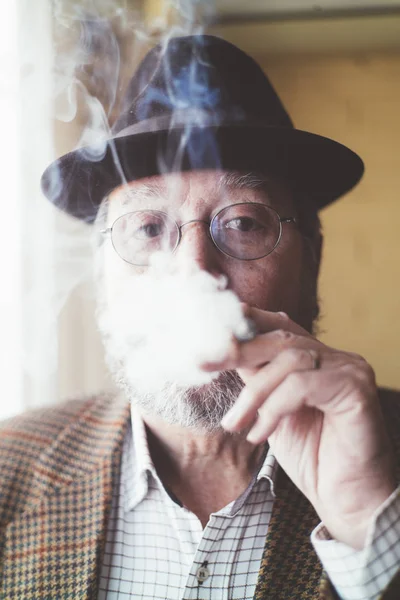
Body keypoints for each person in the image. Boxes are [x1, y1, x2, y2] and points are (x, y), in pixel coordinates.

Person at [1, 35, 399, 600]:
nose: (194, 272)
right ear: (101, 272)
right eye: (147, 229)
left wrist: (368, 529)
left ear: (312, 257)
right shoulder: (8, 470)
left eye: (242, 223)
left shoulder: (388, 470)